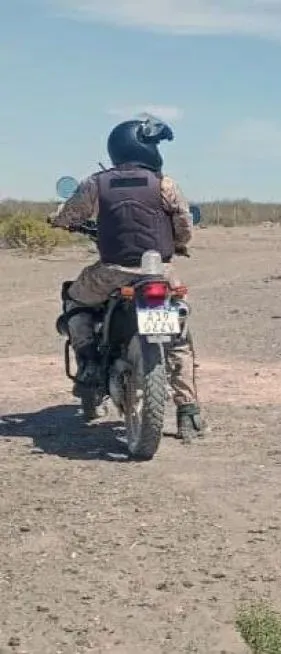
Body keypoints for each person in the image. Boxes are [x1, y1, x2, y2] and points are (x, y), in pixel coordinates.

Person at [48, 117, 205, 440]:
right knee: (178, 337)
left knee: (75, 299)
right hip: (158, 272)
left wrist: (58, 220)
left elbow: (72, 213)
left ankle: (89, 360)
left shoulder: (97, 182)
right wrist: (179, 244)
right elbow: (184, 224)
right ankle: (188, 412)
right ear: (143, 147)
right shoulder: (164, 184)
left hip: (111, 272)